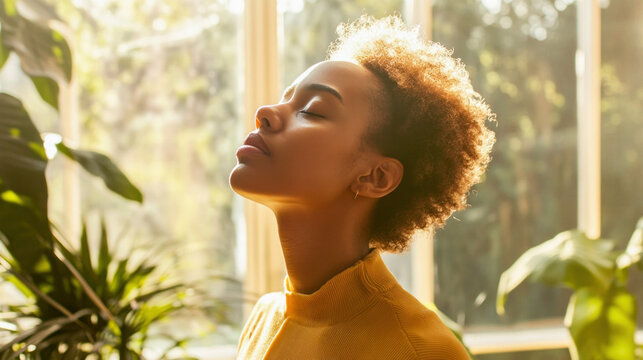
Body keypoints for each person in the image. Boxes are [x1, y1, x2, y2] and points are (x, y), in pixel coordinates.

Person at [229, 14, 495, 360]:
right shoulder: (263, 318)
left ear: (376, 177)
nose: (265, 112)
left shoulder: (420, 350)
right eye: (285, 100)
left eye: (312, 111)